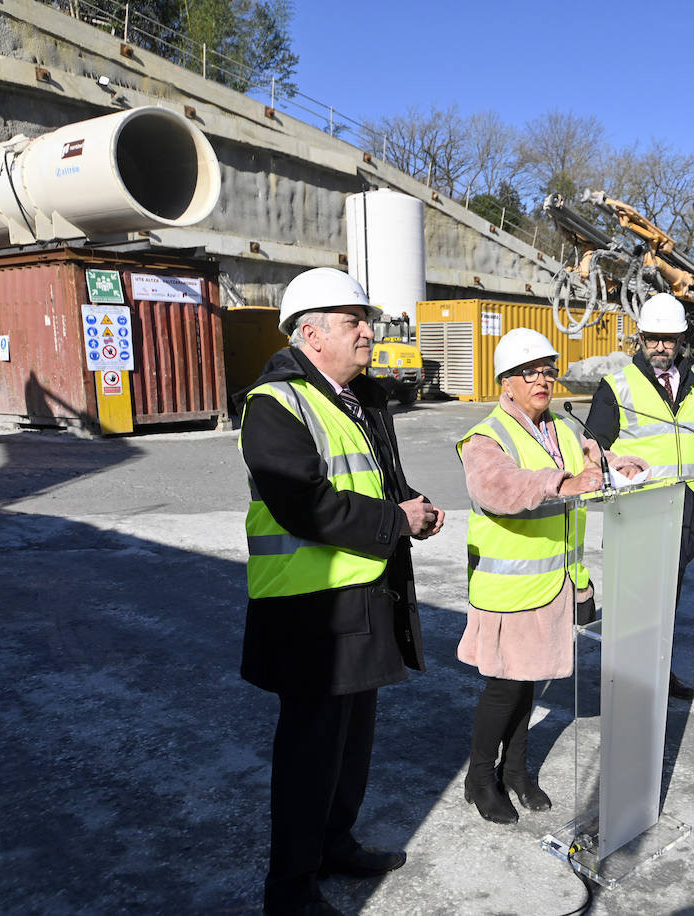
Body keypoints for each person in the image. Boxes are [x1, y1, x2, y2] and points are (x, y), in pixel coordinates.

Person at [238, 267, 445, 916]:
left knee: (351, 744)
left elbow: (377, 480)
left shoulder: (358, 398)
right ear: (310, 333)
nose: (368, 330)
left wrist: (411, 504)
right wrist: (396, 522)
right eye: (353, 319)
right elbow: (308, 506)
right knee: (309, 757)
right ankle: (290, 891)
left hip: (361, 599)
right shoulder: (274, 404)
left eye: (366, 318)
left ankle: (335, 845)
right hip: (310, 614)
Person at [456, 328, 645, 825]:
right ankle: (480, 778)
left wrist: (622, 467)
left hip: (554, 583)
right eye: (530, 372)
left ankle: (516, 771)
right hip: (509, 587)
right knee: (504, 689)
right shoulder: (486, 438)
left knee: (530, 683)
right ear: (507, 382)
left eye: (547, 370)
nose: (542, 380)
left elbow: (594, 459)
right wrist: (562, 482)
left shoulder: (560, 426)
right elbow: (498, 487)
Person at [585, 292, 694, 701]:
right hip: (637, 511)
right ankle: (623, 679)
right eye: (653, 338)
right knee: (632, 600)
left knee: (666, 599)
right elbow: (591, 451)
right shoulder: (617, 386)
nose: (660, 346)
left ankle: (658, 672)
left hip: (684, 508)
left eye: (669, 339)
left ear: (681, 340)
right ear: (640, 338)